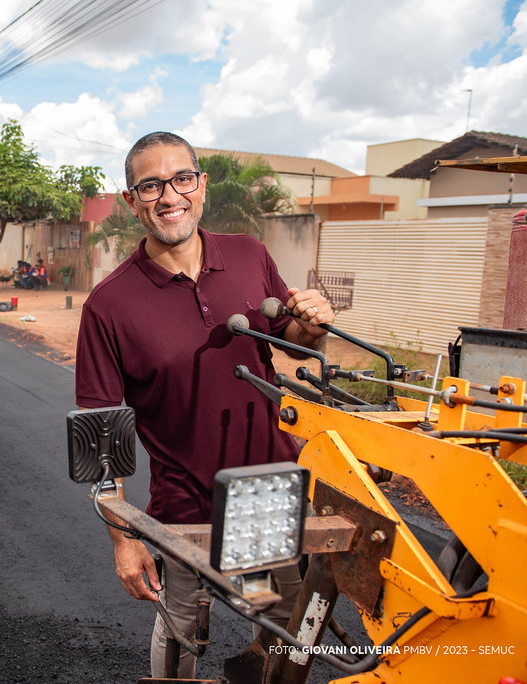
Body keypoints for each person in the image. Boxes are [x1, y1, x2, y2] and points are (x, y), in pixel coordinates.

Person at [74, 131, 334, 679]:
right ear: (131, 200)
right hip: (185, 520)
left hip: (266, 498)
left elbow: (295, 339)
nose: (170, 196)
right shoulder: (109, 305)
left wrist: (313, 322)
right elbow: (101, 440)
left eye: (181, 179)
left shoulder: (249, 255)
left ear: (201, 184)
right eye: (150, 185)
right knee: (182, 637)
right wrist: (123, 542)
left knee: (274, 614)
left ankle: (253, 667)